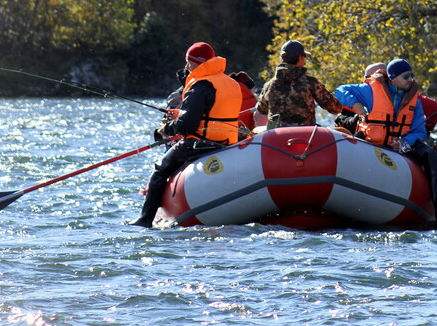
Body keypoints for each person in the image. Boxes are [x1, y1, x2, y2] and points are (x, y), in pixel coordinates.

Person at [132, 42, 243, 227]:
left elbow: (187, 127)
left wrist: (165, 130)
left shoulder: (201, 85)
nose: (186, 68)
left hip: (201, 142)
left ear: (197, 63)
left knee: (160, 169)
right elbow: (214, 112)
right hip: (228, 141)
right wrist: (179, 114)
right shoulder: (230, 82)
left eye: (189, 63)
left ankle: (145, 220)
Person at [336, 58, 437, 221]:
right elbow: (340, 90)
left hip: (399, 144)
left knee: (432, 154)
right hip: (371, 140)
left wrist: (404, 143)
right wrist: (356, 104)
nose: (411, 79)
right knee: (351, 144)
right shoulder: (371, 90)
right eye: (406, 76)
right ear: (393, 78)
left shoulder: (413, 98)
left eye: (412, 75)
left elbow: (419, 130)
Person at [256, 40, 344, 128]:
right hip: (305, 135)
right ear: (300, 58)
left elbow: (262, 109)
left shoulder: (269, 85)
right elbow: (335, 108)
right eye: (304, 56)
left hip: (277, 135)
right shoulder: (310, 83)